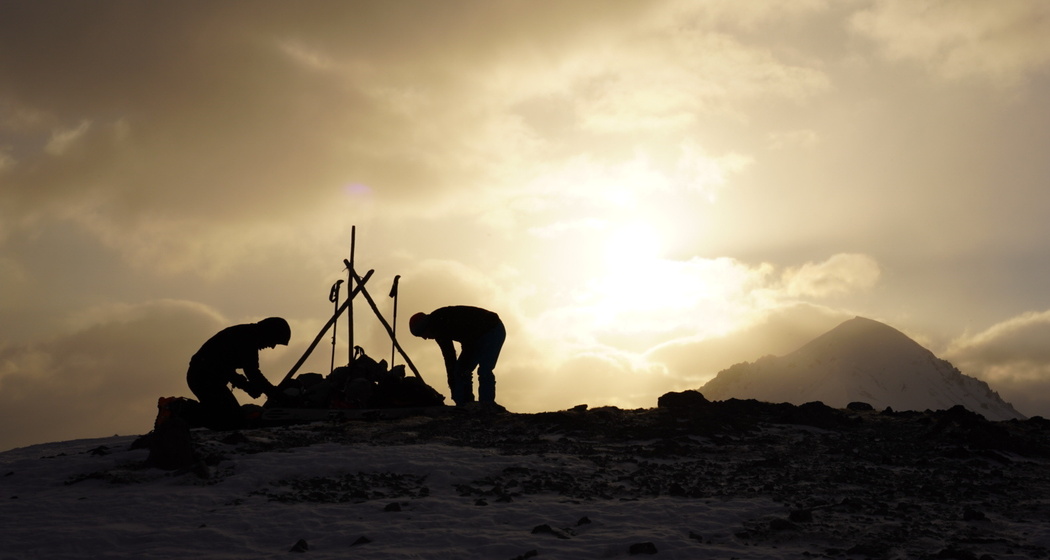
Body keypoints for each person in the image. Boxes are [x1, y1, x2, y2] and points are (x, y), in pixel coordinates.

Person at [186, 317, 290, 429]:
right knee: (231, 419)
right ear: (268, 333)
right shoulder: (247, 337)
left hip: (207, 378)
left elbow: (225, 369)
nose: (272, 346)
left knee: (230, 417)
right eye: (274, 341)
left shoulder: (247, 334)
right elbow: (252, 373)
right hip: (203, 378)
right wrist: (275, 394)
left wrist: (247, 386)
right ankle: (180, 411)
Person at [409, 306, 505, 407]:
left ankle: (485, 404)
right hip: (477, 336)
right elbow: (449, 357)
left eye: (423, 334)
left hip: (493, 330)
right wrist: (452, 380)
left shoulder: (441, 323)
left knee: (484, 369)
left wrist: (456, 378)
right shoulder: (437, 327)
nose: (425, 338)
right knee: (460, 371)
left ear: (426, 327)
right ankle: (467, 403)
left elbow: (466, 341)